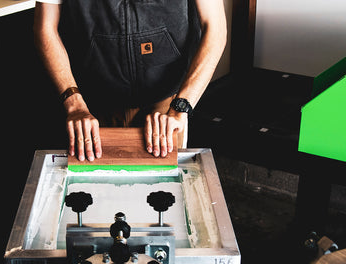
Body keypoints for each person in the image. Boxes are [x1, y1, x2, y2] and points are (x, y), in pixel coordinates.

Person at [34, 0, 226, 161]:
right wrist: (74, 104)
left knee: (164, 190)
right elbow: (45, 27)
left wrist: (180, 107)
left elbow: (215, 28)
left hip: (166, 104)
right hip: (90, 105)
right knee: (98, 193)